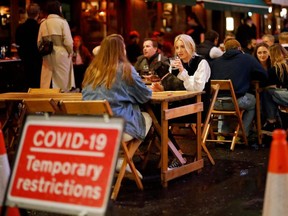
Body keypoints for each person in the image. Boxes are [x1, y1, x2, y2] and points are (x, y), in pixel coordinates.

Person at [82, 34, 152, 174]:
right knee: (148, 118)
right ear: (121, 50)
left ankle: (116, 159)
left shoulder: (91, 70)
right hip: (117, 128)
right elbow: (145, 96)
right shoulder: (125, 69)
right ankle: (122, 159)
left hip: (92, 129)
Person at [151, 34, 211, 169]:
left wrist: (183, 72)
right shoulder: (176, 64)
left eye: (182, 47)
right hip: (181, 103)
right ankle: (177, 153)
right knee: (154, 114)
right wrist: (161, 87)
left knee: (159, 116)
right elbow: (174, 86)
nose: (179, 50)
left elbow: (197, 88)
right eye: (177, 47)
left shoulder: (202, 63)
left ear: (191, 46)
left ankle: (176, 155)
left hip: (198, 107)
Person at [210, 39, 267, 140]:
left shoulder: (215, 62)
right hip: (235, 102)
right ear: (239, 48)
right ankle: (241, 134)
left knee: (223, 97)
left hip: (215, 103)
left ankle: (222, 134)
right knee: (253, 102)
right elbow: (264, 74)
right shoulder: (247, 58)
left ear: (224, 49)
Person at [37, 0, 75, 92]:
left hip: (47, 54)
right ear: (58, 9)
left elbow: (39, 43)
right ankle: (61, 101)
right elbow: (68, 42)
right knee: (62, 81)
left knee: (47, 80)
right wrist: (70, 52)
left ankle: (48, 99)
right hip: (61, 53)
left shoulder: (43, 23)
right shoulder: (62, 22)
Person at [15, 3, 42, 89]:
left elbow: (18, 45)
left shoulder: (20, 28)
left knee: (27, 87)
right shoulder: (40, 28)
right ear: (38, 14)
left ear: (27, 13)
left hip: (25, 62)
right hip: (38, 62)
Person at [262, 44, 288, 132]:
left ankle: (271, 120)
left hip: (286, 95)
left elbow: (265, 84)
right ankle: (273, 121)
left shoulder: (276, 69)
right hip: (285, 94)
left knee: (266, 92)